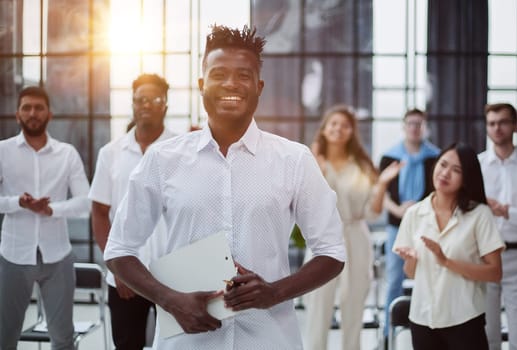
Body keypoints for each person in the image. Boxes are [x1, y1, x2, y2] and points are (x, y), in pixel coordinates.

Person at [103, 25, 346, 349]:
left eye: (244, 75)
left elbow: (332, 251)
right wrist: (170, 299)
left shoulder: (294, 160)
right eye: (219, 74)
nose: (231, 83)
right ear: (202, 84)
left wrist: (275, 292)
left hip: (268, 339)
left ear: (259, 87)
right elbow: (119, 249)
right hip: (188, 343)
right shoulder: (163, 159)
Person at [89, 73, 177, 350]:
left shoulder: (183, 150)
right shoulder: (110, 153)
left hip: (175, 274)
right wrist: (116, 265)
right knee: (127, 345)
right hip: (126, 275)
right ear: (133, 104)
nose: (146, 105)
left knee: (179, 345)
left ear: (165, 104)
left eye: (154, 99)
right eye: (140, 99)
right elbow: (100, 212)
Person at [303, 105, 402, 350]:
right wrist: (318, 168)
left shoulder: (362, 166)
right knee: (317, 305)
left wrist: (382, 184)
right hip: (322, 238)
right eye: (333, 124)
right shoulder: (309, 161)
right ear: (324, 129)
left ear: (351, 132)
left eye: (345, 125)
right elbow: (302, 202)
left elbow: (372, 211)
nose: (338, 129)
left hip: (356, 235)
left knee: (354, 305)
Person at [0, 86, 90, 349]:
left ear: (49, 114)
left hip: (57, 256)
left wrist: (53, 210)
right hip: (13, 256)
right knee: (5, 337)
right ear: (17, 114)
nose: (32, 113)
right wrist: (18, 202)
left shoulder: (67, 153)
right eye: (26, 108)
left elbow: (85, 202)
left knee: (63, 339)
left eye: (38, 108)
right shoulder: (3, 151)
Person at [393, 142, 504, 350]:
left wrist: (446, 261)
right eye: (443, 165)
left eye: (456, 170)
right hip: (423, 318)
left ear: (466, 178)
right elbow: (411, 274)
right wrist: (412, 260)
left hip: (465, 319)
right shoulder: (414, 214)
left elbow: (495, 272)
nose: (445, 173)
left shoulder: (479, 214)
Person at [379, 108, 440, 345]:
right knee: (394, 280)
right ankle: (388, 335)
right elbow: (380, 192)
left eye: (419, 124)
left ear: (424, 127)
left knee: (429, 277)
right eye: (410, 124)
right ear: (404, 127)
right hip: (397, 224)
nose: (414, 128)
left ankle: (431, 329)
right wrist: (398, 210)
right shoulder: (389, 157)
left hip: (427, 225)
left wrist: (419, 207)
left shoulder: (434, 157)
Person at [479, 103, 517, 350]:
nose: (497, 128)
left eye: (502, 122)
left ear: (514, 125)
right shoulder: (476, 167)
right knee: (485, 336)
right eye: (492, 123)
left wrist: (507, 212)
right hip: (482, 258)